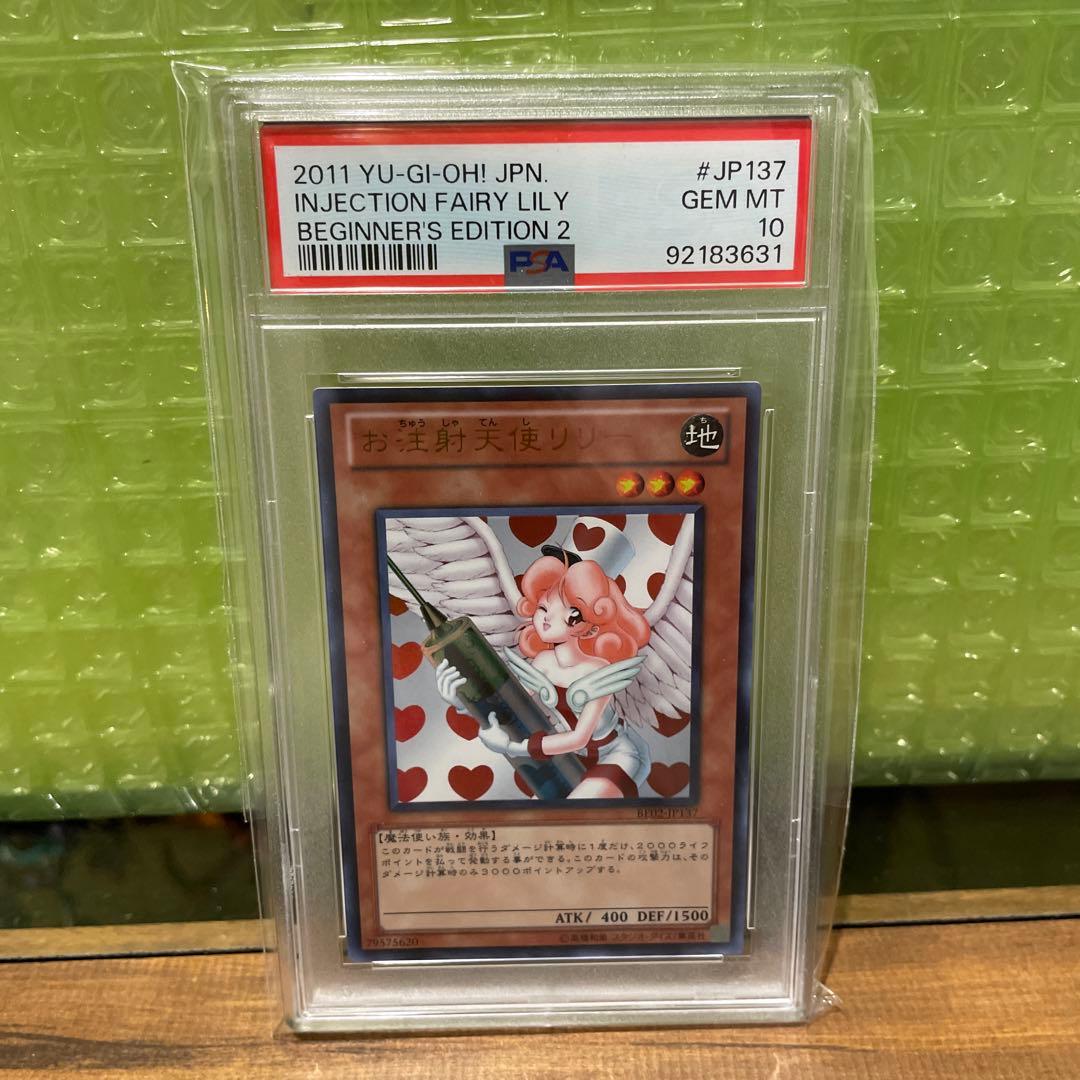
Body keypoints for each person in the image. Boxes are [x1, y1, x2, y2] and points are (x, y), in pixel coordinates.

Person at [435, 548, 651, 798]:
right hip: (570, 761)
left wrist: (514, 747)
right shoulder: (543, 663)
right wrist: (463, 701)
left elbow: (579, 738)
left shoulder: (598, 670)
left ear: (590, 627)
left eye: (572, 615)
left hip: (618, 755)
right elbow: (510, 707)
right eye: (543, 606)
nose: (548, 618)